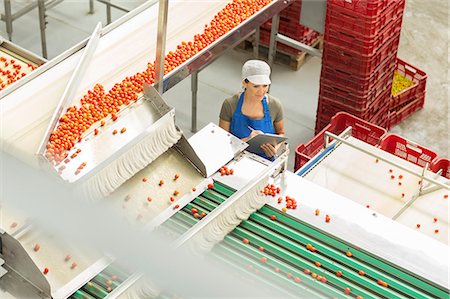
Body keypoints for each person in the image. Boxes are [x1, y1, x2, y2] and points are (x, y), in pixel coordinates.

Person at [219, 59, 285, 159]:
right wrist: (247, 141)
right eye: (256, 86)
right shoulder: (230, 105)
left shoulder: (275, 105)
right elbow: (222, 140)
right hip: (236, 157)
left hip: (265, 160)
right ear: (244, 83)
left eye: (265, 86)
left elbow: (281, 133)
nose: (261, 91)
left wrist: (275, 148)